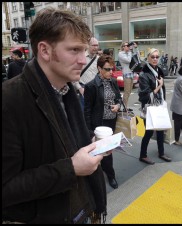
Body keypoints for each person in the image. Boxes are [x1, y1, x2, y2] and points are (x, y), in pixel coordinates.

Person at [2, 8, 107, 224]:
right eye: (75, 50)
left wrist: (91, 143)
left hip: (82, 209)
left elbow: (63, 139)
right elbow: (6, 188)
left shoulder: (69, 90)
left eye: (85, 51)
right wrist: (71, 168)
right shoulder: (9, 100)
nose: (83, 59)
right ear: (45, 50)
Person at [84, 55, 122, 189]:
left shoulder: (113, 81)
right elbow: (87, 110)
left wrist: (117, 106)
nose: (111, 72)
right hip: (99, 124)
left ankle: (108, 174)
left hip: (111, 123)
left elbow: (118, 99)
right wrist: (89, 131)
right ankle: (108, 175)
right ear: (99, 68)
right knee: (102, 153)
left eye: (112, 69)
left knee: (107, 151)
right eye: (107, 69)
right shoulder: (91, 86)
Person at [138, 48, 172, 165]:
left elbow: (161, 92)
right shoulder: (144, 74)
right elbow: (145, 95)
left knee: (161, 130)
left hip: (159, 105)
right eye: (153, 57)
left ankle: (161, 153)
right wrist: (160, 85)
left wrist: (163, 101)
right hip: (149, 107)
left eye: (157, 57)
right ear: (148, 57)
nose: (155, 59)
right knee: (148, 132)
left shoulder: (158, 71)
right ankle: (143, 155)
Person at [73, 37, 100, 110]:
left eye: (97, 45)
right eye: (94, 45)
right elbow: (73, 75)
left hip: (95, 88)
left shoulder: (98, 59)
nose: (96, 47)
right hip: (83, 88)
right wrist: (80, 88)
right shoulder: (81, 57)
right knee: (84, 113)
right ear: (88, 45)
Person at [118, 41, 139, 110]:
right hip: (126, 74)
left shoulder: (129, 53)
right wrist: (130, 51)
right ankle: (124, 107)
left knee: (129, 91)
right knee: (126, 91)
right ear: (123, 47)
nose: (128, 46)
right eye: (126, 45)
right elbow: (128, 60)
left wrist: (135, 48)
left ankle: (125, 106)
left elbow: (138, 56)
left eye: (128, 45)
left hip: (132, 74)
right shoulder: (121, 54)